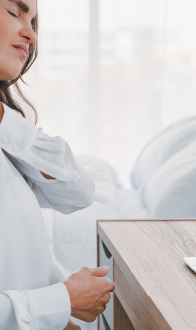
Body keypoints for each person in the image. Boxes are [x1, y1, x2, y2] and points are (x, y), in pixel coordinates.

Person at [0, 0, 115, 328]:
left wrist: (4, 120)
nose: (31, 34)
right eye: (14, 12)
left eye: (33, 20)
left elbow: (79, 191)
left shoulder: (6, 132)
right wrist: (64, 298)